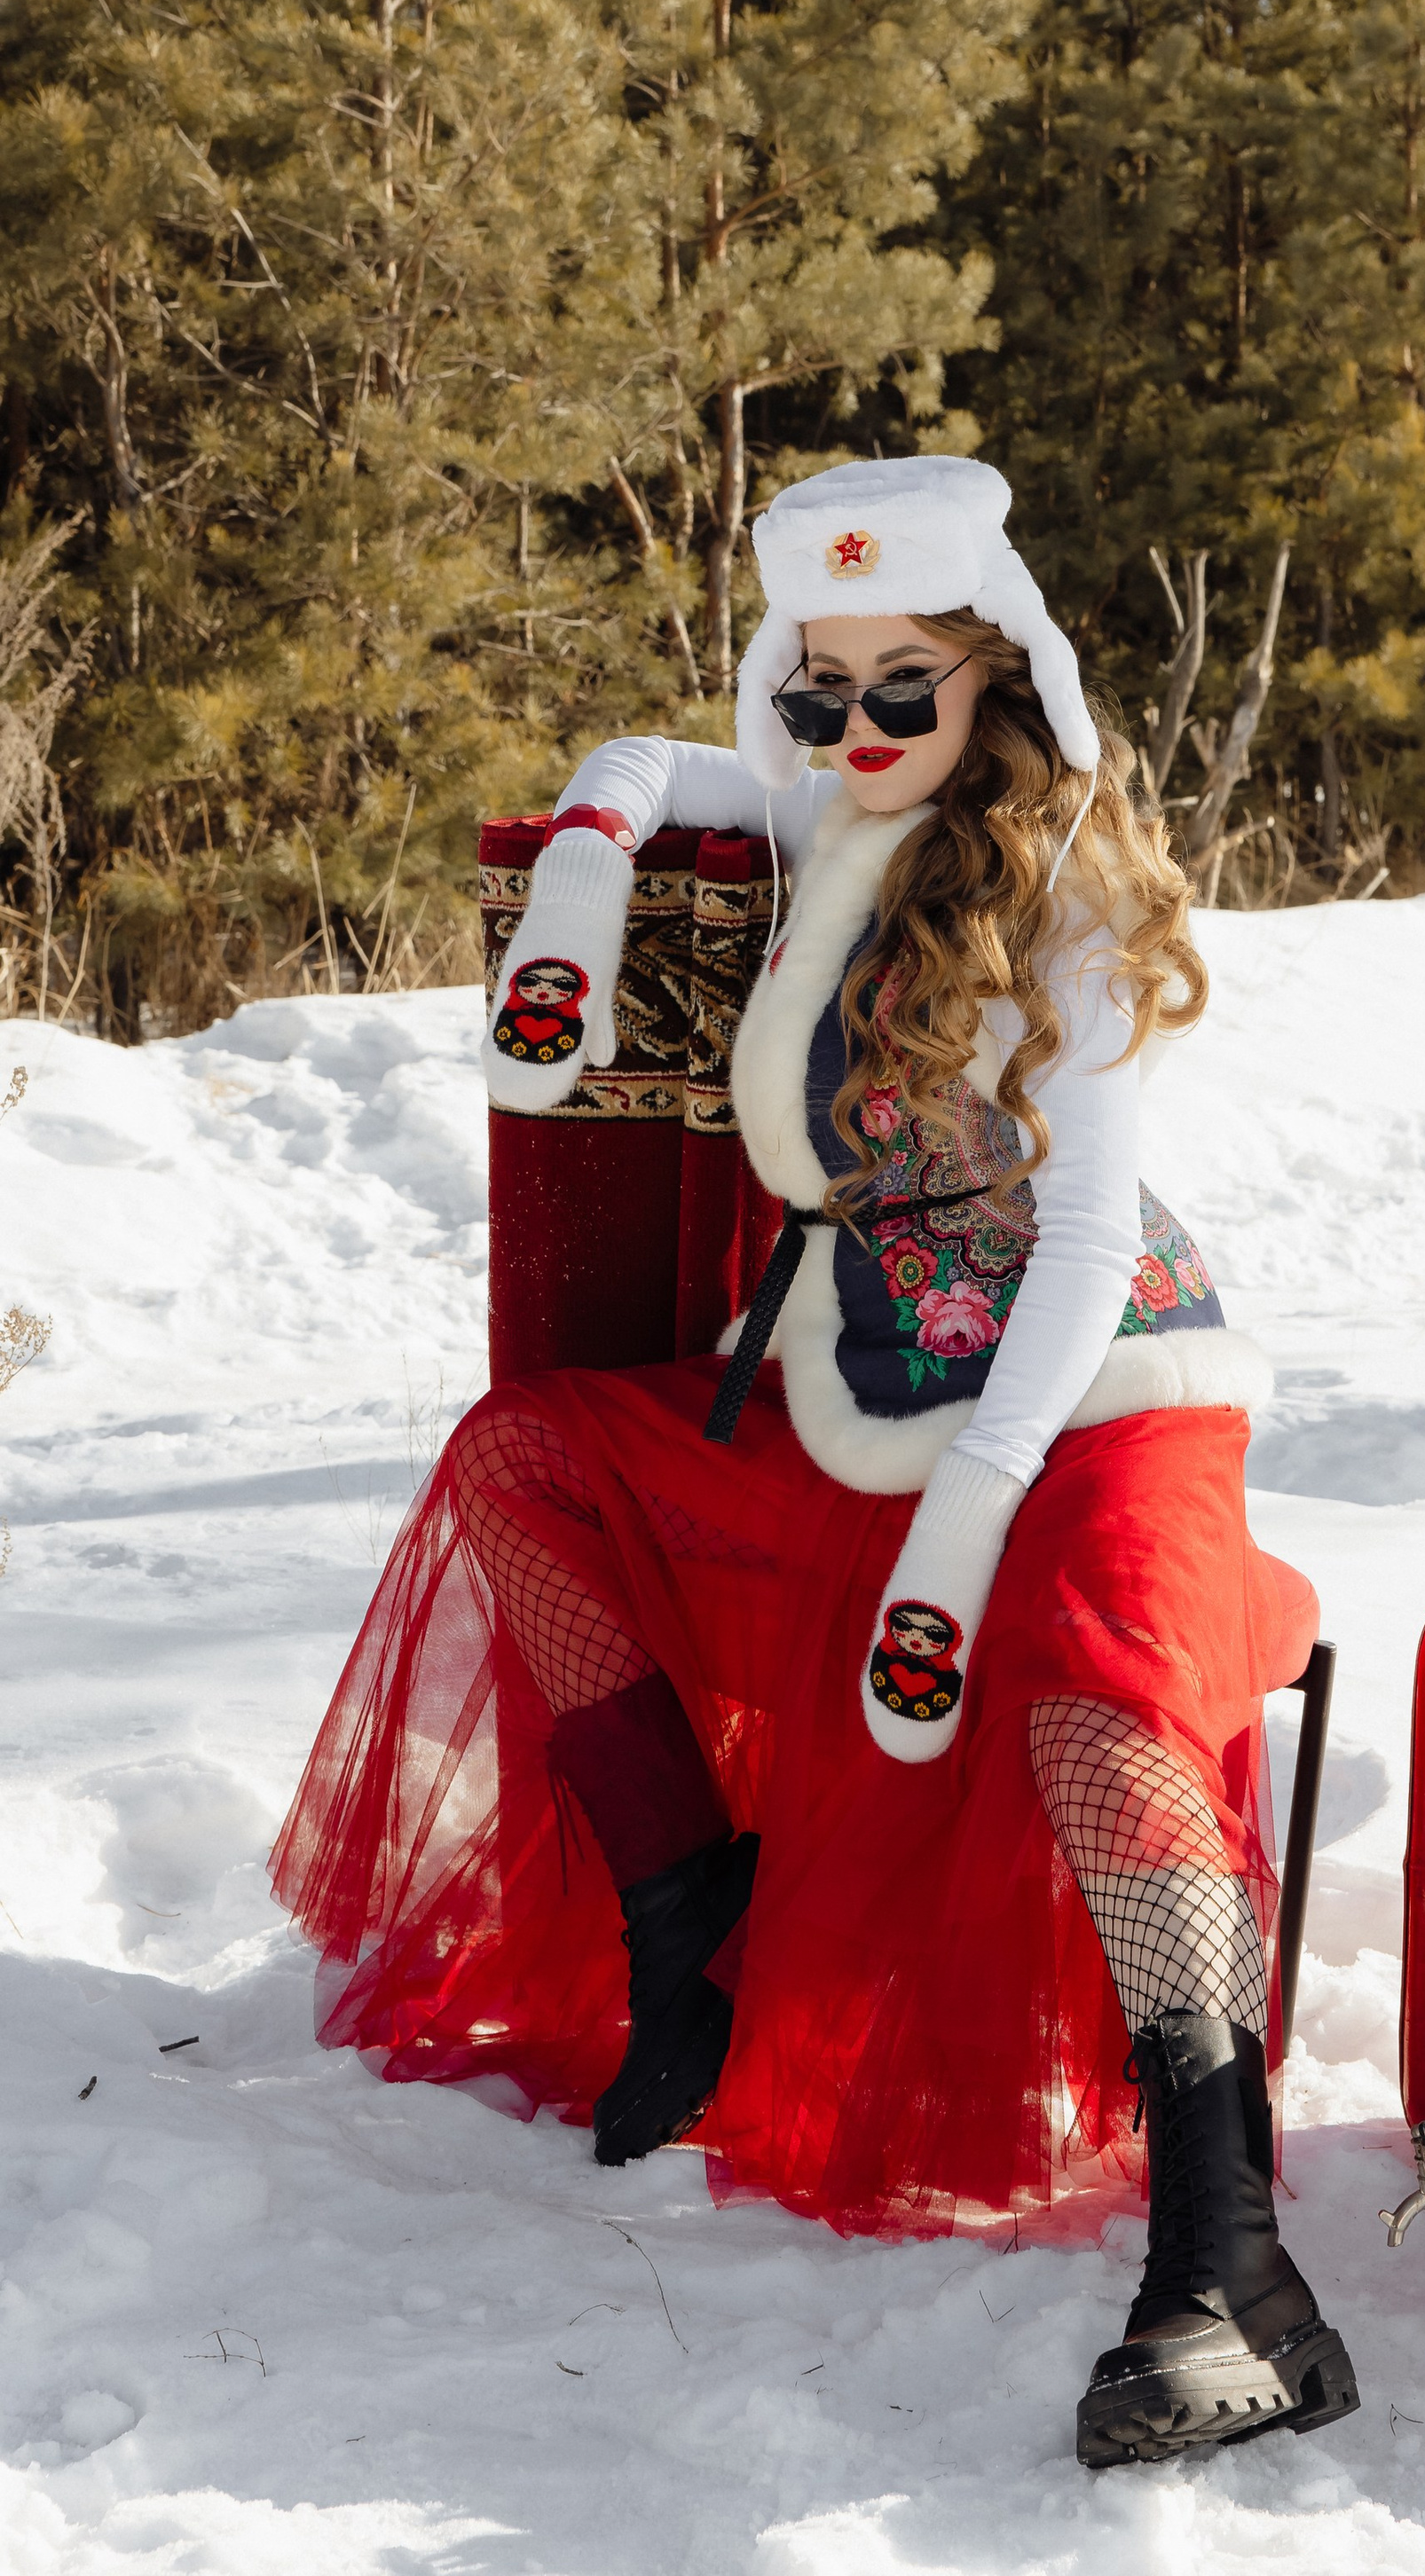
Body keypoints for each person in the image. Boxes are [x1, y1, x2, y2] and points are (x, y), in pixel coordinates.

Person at [271, 456, 1359, 2470]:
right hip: (876, 1398)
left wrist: (965, 1528)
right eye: (811, 690)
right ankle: (698, 1915)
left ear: (999, 687)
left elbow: (1092, 1243)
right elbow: (658, 764)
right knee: (526, 1464)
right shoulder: (829, 817)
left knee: (1103, 1715)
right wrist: (591, 859)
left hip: (1098, 1393)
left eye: (899, 693)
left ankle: (1235, 2267)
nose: (848, 734)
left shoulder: (1067, 893)